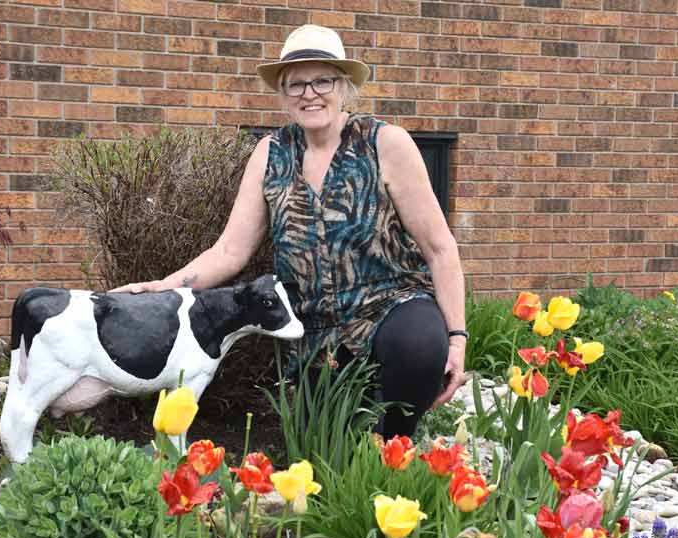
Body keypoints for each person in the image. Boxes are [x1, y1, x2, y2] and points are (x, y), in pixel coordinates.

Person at [111, 24, 468, 438]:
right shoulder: (270, 153)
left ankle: (397, 444)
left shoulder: (385, 143)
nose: (309, 93)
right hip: (315, 331)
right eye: (295, 84)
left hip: (389, 305)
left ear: (345, 86)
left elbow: (440, 249)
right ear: (282, 94)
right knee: (326, 447)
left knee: (419, 346)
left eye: (322, 80)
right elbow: (231, 250)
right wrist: (165, 287)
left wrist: (456, 339)